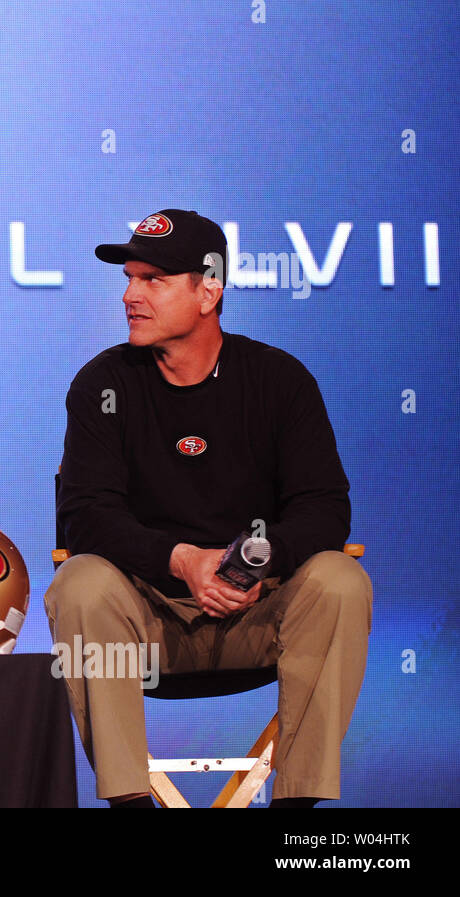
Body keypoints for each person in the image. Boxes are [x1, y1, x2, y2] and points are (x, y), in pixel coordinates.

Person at [44, 209, 372, 808]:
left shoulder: (279, 381)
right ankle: (132, 801)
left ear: (209, 289)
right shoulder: (101, 386)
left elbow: (325, 508)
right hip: (147, 627)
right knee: (80, 581)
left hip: (258, 618)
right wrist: (183, 560)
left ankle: (298, 811)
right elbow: (87, 516)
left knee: (340, 579)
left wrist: (258, 562)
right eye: (129, 278)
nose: (130, 295)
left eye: (153, 280)